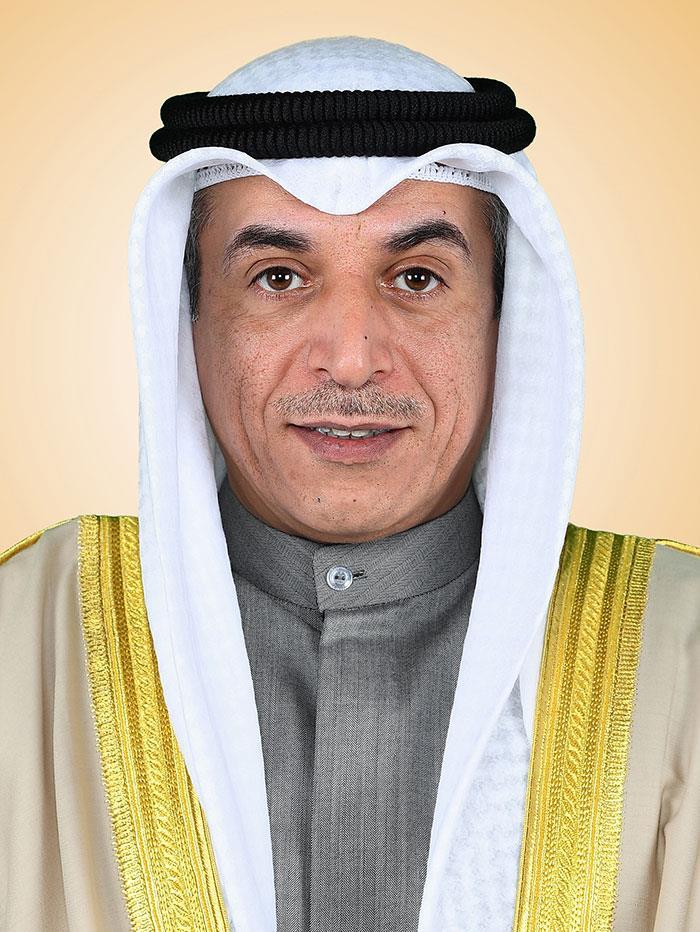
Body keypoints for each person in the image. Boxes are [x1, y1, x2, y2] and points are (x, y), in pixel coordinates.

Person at [1, 35, 698, 932]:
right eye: (278, 278)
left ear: (503, 320)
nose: (353, 358)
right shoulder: (28, 643)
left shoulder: (678, 655)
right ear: (190, 324)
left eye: (417, 278)